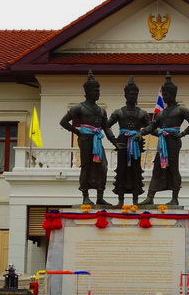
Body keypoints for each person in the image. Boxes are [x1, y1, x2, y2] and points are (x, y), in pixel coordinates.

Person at [140, 73, 189, 207]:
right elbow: (152, 126)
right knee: (157, 166)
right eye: (163, 94)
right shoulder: (162, 113)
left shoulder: (181, 110)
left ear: (172, 95)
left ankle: (175, 198)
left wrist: (182, 134)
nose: (164, 97)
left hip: (173, 141)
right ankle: (150, 196)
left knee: (173, 167)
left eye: (166, 94)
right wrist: (141, 133)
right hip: (162, 142)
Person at [59, 71, 110, 206]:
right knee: (86, 166)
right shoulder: (79, 108)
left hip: (97, 140)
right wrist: (77, 132)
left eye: (98, 90)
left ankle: (100, 196)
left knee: (103, 166)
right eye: (95, 90)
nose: (98, 93)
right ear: (88, 92)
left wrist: (115, 141)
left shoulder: (101, 111)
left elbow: (106, 128)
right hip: (85, 139)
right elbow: (63, 122)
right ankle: (85, 196)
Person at [107, 76, 152, 206]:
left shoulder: (142, 113)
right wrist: (114, 141)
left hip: (136, 143)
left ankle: (135, 199)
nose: (133, 96)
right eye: (131, 94)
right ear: (125, 95)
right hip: (122, 143)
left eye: (135, 94)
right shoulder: (119, 112)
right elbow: (106, 126)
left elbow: (151, 127)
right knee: (121, 169)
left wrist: (142, 132)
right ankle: (120, 199)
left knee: (135, 169)